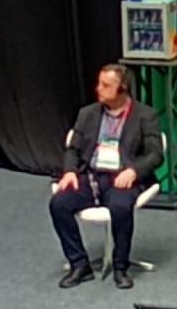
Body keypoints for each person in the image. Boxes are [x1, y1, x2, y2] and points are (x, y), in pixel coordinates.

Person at [49, 64, 164, 291]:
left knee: (120, 207)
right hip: (91, 175)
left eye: (105, 85)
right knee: (59, 204)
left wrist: (134, 170)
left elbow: (155, 154)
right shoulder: (87, 114)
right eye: (99, 83)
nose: (98, 89)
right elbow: (73, 149)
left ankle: (121, 266)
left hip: (122, 178)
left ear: (122, 89)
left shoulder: (145, 116)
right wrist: (70, 171)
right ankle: (79, 264)